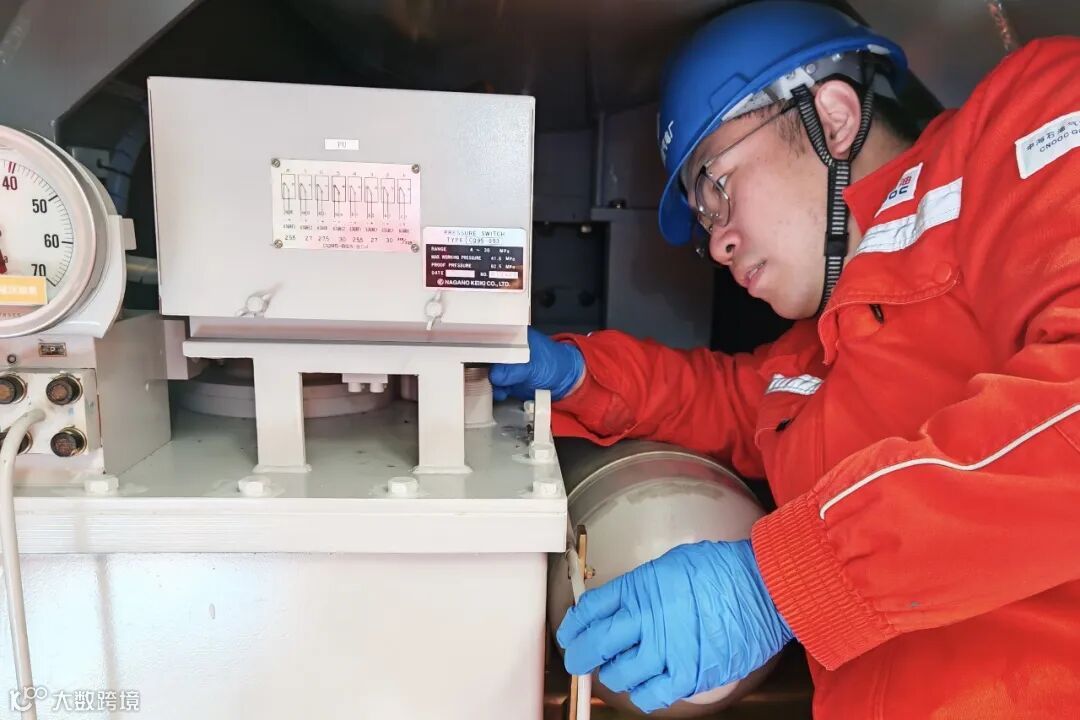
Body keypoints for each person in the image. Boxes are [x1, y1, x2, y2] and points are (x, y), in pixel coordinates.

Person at [490, 1, 1080, 717]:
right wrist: (577, 373)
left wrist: (784, 585)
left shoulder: (1030, 118)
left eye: (716, 185)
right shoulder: (821, 350)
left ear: (831, 116)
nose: (716, 242)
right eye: (703, 219)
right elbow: (721, 399)